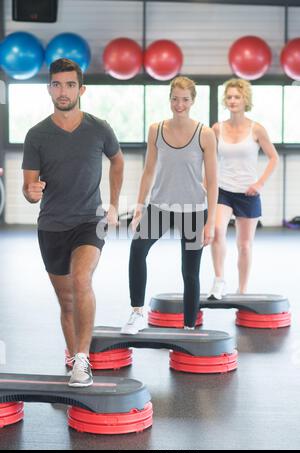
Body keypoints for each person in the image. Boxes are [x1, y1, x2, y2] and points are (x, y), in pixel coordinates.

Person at [22, 58, 124, 387]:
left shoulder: (99, 127)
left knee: (82, 280)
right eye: (56, 84)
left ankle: (82, 360)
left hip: (88, 221)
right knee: (66, 301)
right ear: (48, 89)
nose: (62, 91)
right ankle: (71, 352)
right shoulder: (36, 134)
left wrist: (112, 204)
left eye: (69, 85)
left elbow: (117, 161)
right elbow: (29, 187)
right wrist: (31, 192)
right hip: (52, 225)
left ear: (81, 89)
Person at [121, 76, 218, 335]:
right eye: (175, 99)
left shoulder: (205, 134)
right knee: (137, 250)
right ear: (169, 99)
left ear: (193, 101)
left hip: (194, 210)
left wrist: (211, 222)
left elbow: (213, 180)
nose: (179, 104)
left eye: (185, 99)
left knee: (190, 272)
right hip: (160, 206)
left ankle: (188, 326)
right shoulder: (156, 129)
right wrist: (140, 205)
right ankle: (136, 313)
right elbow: (149, 169)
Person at [208, 78, 279, 300]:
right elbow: (208, 160)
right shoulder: (217, 129)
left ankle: (242, 290)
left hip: (248, 193)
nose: (232, 100)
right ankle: (219, 281)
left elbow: (273, 158)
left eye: (237, 97)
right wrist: (206, 183)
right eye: (229, 97)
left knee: (245, 245)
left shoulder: (256, 129)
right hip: (223, 190)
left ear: (245, 99)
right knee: (218, 231)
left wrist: (259, 183)